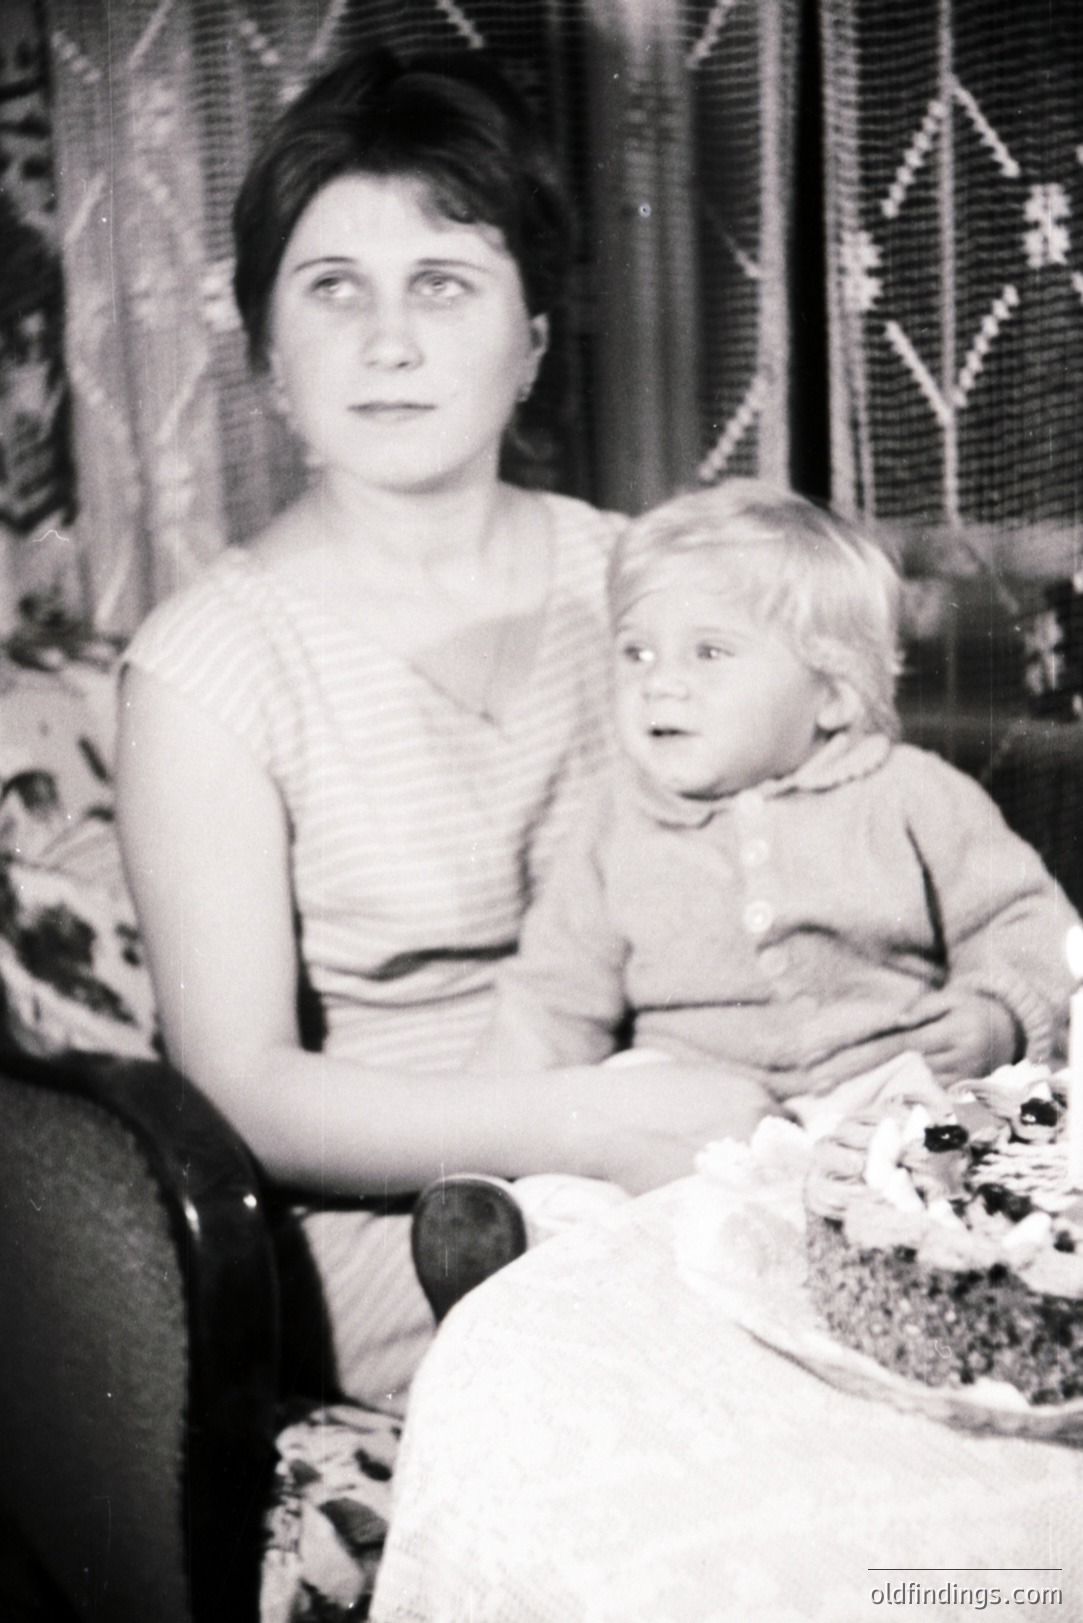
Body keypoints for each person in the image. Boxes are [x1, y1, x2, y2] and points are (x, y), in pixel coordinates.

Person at [114, 49, 765, 1413]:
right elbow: (238, 1085)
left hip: (695, 1152)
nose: (388, 340)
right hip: (408, 1233)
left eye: (444, 283)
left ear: (529, 343)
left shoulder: (649, 580)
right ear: (266, 357)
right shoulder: (205, 668)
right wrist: (581, 1123)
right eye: (332, 287)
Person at [479, 480, 1078, 1100]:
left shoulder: (912, 794)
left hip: (881, 1087)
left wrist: (998, 1017)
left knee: (969, 1127)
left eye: (709, 652)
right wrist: (492, 1125)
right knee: (608, 1114)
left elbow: (1027, 923)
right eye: (637, 652)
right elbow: (553, 996)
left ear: (833, 694)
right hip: (693, 1115)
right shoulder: (614, 819)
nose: (660, 683)